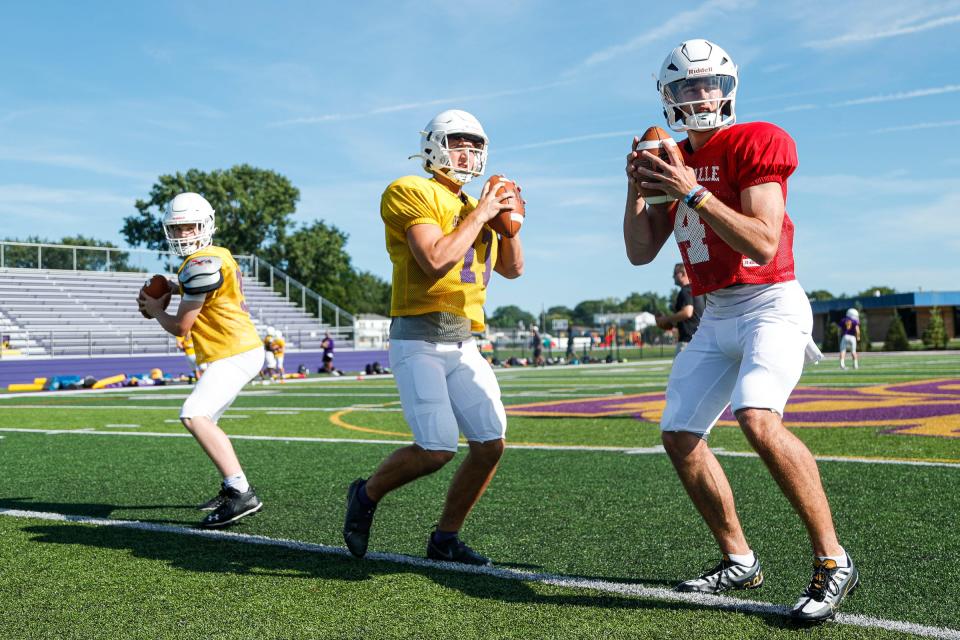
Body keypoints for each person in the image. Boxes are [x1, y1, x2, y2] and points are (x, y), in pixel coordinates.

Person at [622, 39, 856, 622]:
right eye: (686, 87)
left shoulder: (756, 140)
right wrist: (635, 186)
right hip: (714, 313)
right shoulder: (670, 156)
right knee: (678, 435)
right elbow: (639, 253)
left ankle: (833, 560)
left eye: (709, 84)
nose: (700, 96)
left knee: (756, 417)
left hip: (770, 302)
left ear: (728, 89)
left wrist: (691, 192)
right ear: (668, 97)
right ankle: (739, 559)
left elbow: (762, 240)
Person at [343, 109, 523, 566]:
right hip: (419, 339)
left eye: (476, 145)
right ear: (434, 145)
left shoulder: (471, 205)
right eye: (459, 142)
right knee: (437, 448)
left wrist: (510, 225)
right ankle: (365, 495)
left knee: (490, 443)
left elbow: (513, 269)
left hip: (465, 342)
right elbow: (435, 260)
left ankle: (445, 538)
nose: (469, 152)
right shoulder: (411, 189)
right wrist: (484, 211)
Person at [139, 192, 264, 528]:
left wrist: (156, 310)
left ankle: (242, 492)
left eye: (189, 226)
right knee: (207, 419)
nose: (183, 234)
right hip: (238, 349)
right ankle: (230, 486)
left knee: (194, 414)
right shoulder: (216, 256)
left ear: (205, 225)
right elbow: (205, 290)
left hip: (234, 352)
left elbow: (181, 328)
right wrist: (173, 286)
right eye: (177, 228)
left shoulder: (200, 264)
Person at [656, 263, 706, 354]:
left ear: (682, 274)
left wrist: (665, 319)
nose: (672, 277)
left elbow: (687, 312)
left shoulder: (685, 291)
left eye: (675, 274)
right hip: (699, 339)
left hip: (688, 341)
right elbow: (692, 318)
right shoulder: (696, 290)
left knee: (678, 368)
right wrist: (672, 323)